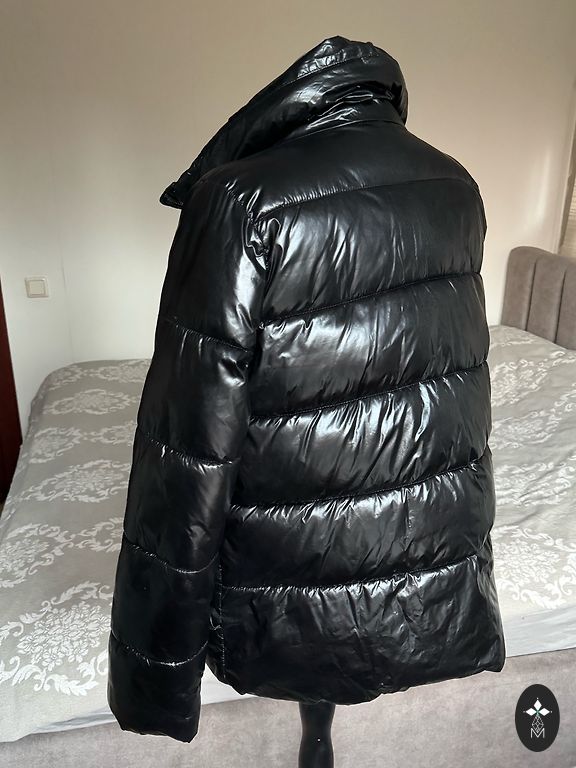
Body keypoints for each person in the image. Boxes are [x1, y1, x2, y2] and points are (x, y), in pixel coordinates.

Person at [108, 34, 506, 743]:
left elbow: (190, 442)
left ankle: (317, 720)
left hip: (291, 569)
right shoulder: (456, 186)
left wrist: (154, 682)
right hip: (430, 565)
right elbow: (460, 399)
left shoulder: (240, 199)